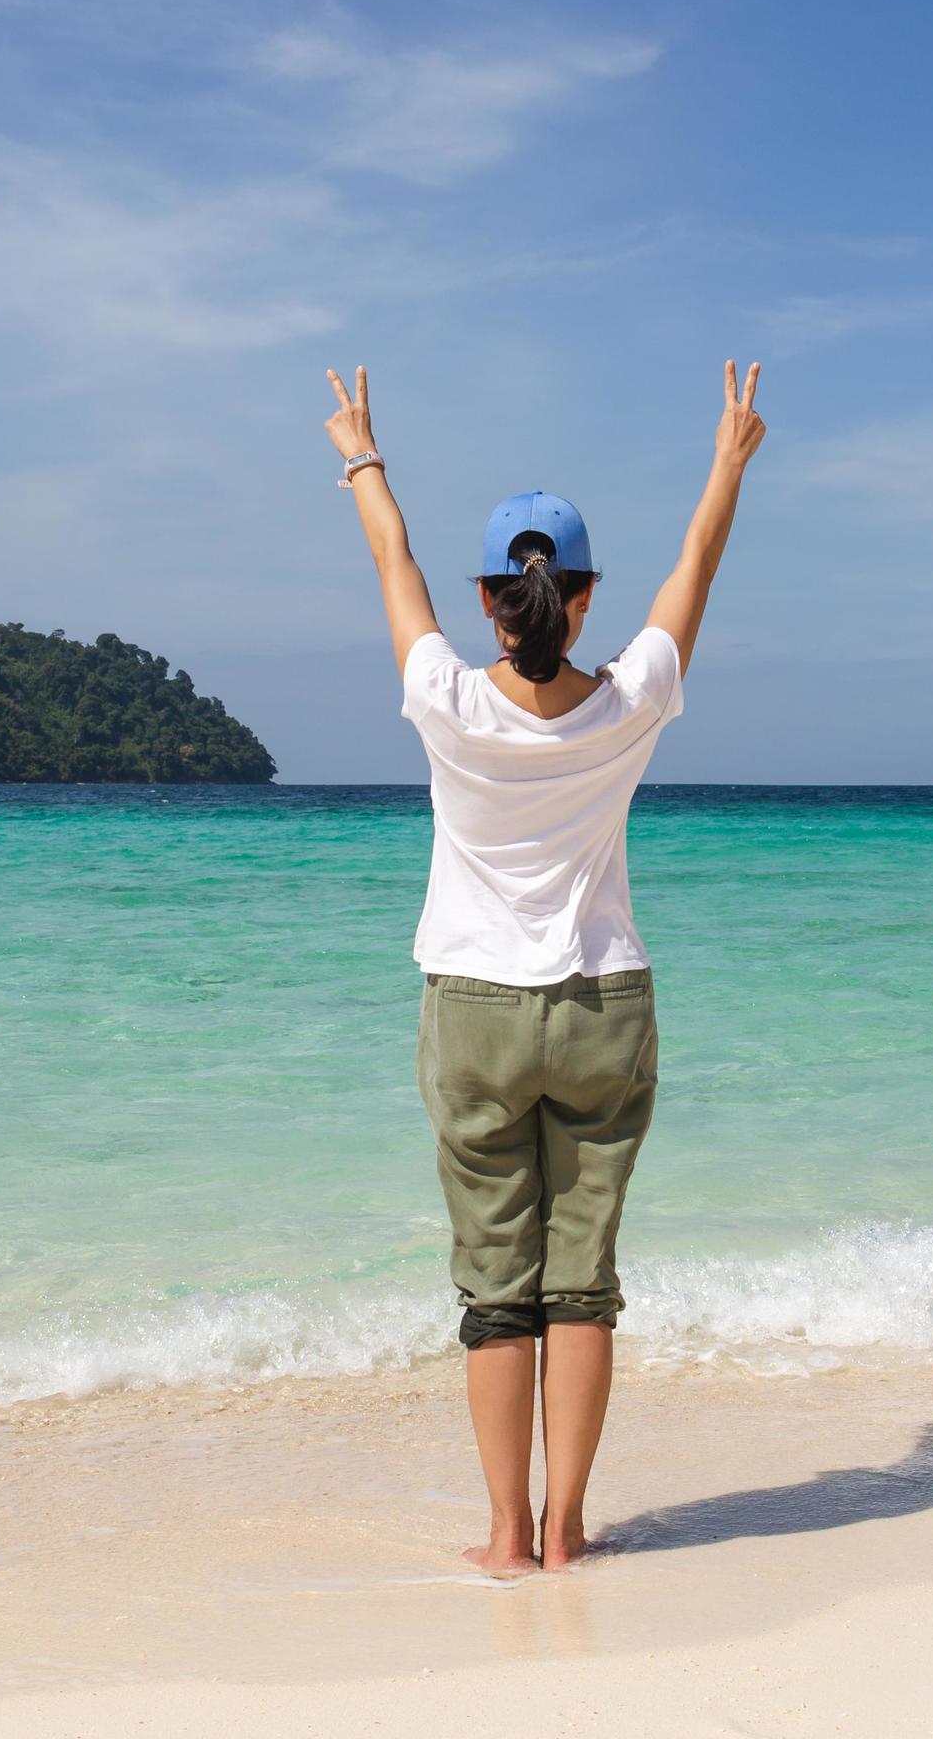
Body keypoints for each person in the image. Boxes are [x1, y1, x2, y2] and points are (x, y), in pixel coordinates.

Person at [321, 358, 769, 1575]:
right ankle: (570, 1529)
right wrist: (730, 460)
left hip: (471, 1012)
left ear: (492, 597)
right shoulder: (631, 700)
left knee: (495, 1286)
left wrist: (363, 452)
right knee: (583, 1283)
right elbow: (697, 573)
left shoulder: (446, 700)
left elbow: (390, 565)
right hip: (602, 1007)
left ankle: (504, 1537)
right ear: (580, 599)